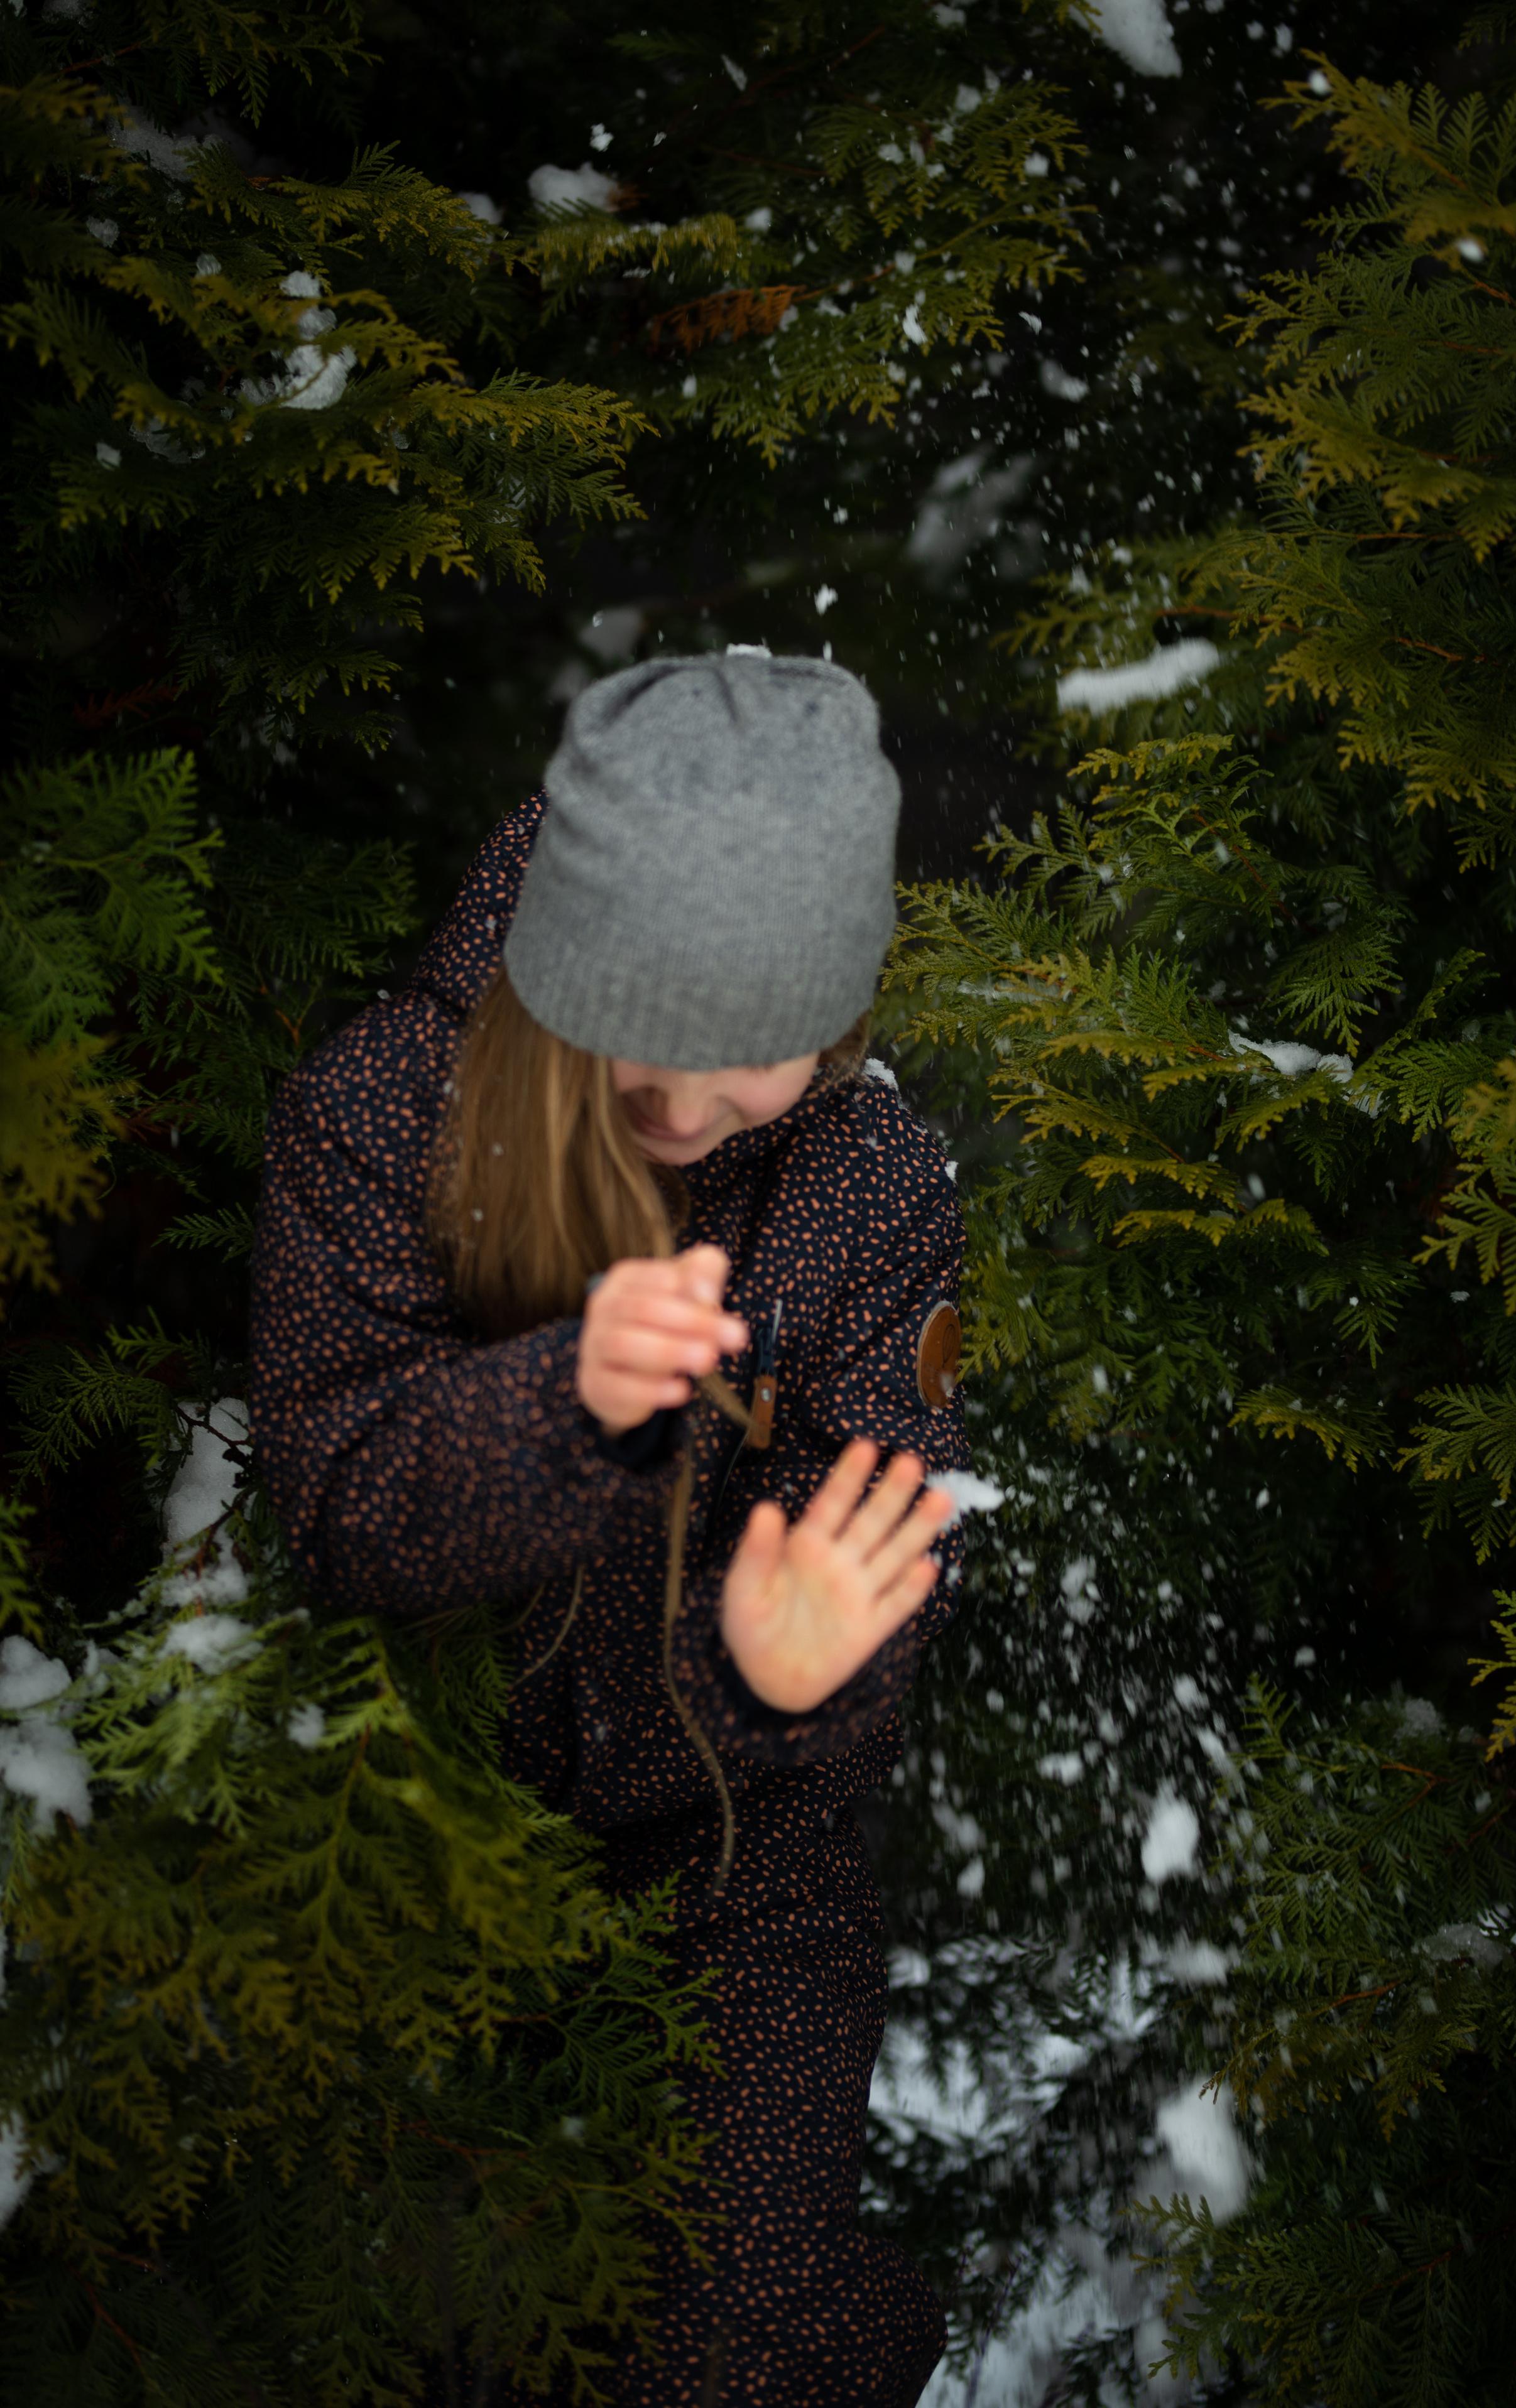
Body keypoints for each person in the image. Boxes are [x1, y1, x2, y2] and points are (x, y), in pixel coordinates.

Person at [250, 653, 971, 2406]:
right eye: (643, 1010)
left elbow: (889, 1526)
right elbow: (336, 1502)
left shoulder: (871, 1187)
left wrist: (793, 1675)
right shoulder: (384, 1116)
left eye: (752, 1043)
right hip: (434, 1831)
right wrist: (556, 1406)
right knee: (439, 2338)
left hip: (743, 1859)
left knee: (735, 2340)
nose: (684, 1090)